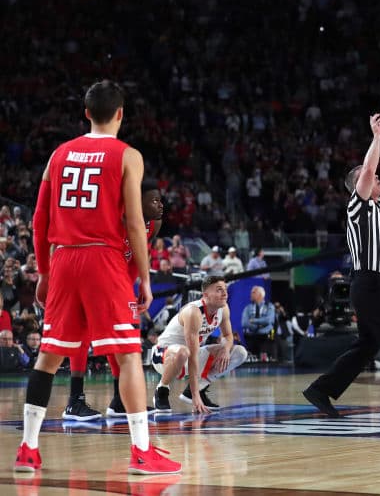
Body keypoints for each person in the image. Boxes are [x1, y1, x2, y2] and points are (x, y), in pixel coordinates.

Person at [17, 80, 180, 474]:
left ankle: (28, 448)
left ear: (86, 113)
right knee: (127, 356)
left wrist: (43, 271)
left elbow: (40, 220)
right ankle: (142, 451)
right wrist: (144, 277)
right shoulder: (127, 155)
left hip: (64, 259)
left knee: (48, 357)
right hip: (103, 260)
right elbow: (137, 225)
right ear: (120, 114)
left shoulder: (58, 154)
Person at [301, 114, 380, 422]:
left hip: (375, 286)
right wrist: (377, 137)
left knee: (368, 345)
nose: (377, 181)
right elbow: (369, 170)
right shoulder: (356, 206)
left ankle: (321, 390)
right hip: (367, 284)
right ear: (358, 185)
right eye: (370, 180)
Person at [62, 180, 164, 421]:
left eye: (160, 200)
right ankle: (74, 402)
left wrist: (133, 286)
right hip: (88, 276)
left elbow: (138, 254)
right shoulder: (112, 220)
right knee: (84, 332)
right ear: (134, 202)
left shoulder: (154, 224)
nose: (160, 205)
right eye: (153, 200)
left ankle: (120, 400)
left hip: (120, 280)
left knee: (119, 336)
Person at [152, 275, 246, 413]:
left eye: (225, 289)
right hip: (164, 356)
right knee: (184, 352)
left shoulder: (223, 309)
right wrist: (197, 399)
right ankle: (162, 389)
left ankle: (195, 389)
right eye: (219, 290)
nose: (225, 293)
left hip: (189, 354)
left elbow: (228, 336)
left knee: (239, 352)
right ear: (206, 295)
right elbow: (192, 356)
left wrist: (225, 349)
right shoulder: (193, 312)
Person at [241, 285, 275, 362]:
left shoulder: (269, 306)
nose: (251, 294)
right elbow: (244, 323)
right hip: (251, 338)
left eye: (253, 292)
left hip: (265, 338)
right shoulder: (247, 308)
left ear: (260, 295)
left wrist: (253, 321)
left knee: (264, 360)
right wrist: (259, 325)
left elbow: (268, 320)